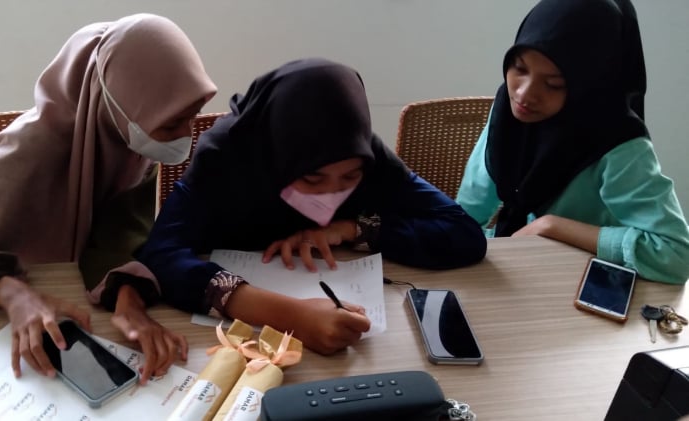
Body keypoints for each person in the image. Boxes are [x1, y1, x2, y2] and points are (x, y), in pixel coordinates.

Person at [0, 14, 217, 382]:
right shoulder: (29, 153)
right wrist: (15, 295)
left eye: (191, 117)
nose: (185, 135)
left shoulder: (132, 145)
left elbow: (118, 235)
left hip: (72, 313)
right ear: (119, 103)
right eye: (171, 123)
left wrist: (128, 302)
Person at [138, 58, 487, 355]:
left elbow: (463, 233)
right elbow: (161, 253)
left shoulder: (365, 152)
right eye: (312, 178)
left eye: (350, 177)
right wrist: (288, 315)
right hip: (235, 345)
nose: (330, 193)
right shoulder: (229, 154)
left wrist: (352, 229)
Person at [456, 0, 689, 284]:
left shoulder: (618, 144)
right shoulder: (508, 110)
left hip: (584, 280)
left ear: (588, 85)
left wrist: (552, 226)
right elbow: (467, 214)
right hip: (521, 266)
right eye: (519, 68)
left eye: (553, 84)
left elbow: (677, 255)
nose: (524, 94)